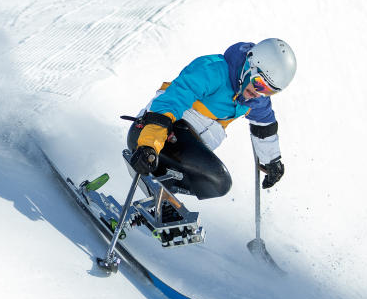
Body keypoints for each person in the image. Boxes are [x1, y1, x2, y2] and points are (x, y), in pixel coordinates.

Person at [127, 38, 297, 208]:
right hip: (155, 135)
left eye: (269, 91)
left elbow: (265, 128)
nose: (258, 94)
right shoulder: (212, 70)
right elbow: (171, 102)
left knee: (217, 184)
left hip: (184, 150)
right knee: (219, 180)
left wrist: (272, 161)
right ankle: (156, 200)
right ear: (249, 67)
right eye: (259, 83)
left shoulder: (253, 99)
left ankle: (163, 208)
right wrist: (149, 145)